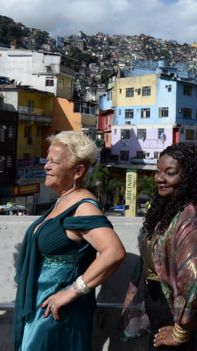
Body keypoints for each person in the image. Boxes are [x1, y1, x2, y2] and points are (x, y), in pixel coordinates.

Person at [13, 131, 126, 351]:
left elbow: (114, 252)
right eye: (47, 160)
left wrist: (73, 290)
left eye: (54, 162)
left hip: (56, 314)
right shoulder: (63, 201)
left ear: (78, 171)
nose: (46, 166)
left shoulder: (83, 207)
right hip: (42, 308)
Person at [123, 143, 197, 351]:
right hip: (163, 315)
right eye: (158, 172)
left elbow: (196, 278)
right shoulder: (170, 209)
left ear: (190, 178)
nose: (159, 178)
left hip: (184, 325)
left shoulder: (194, 218)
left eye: (170, 173)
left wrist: (181, 330)